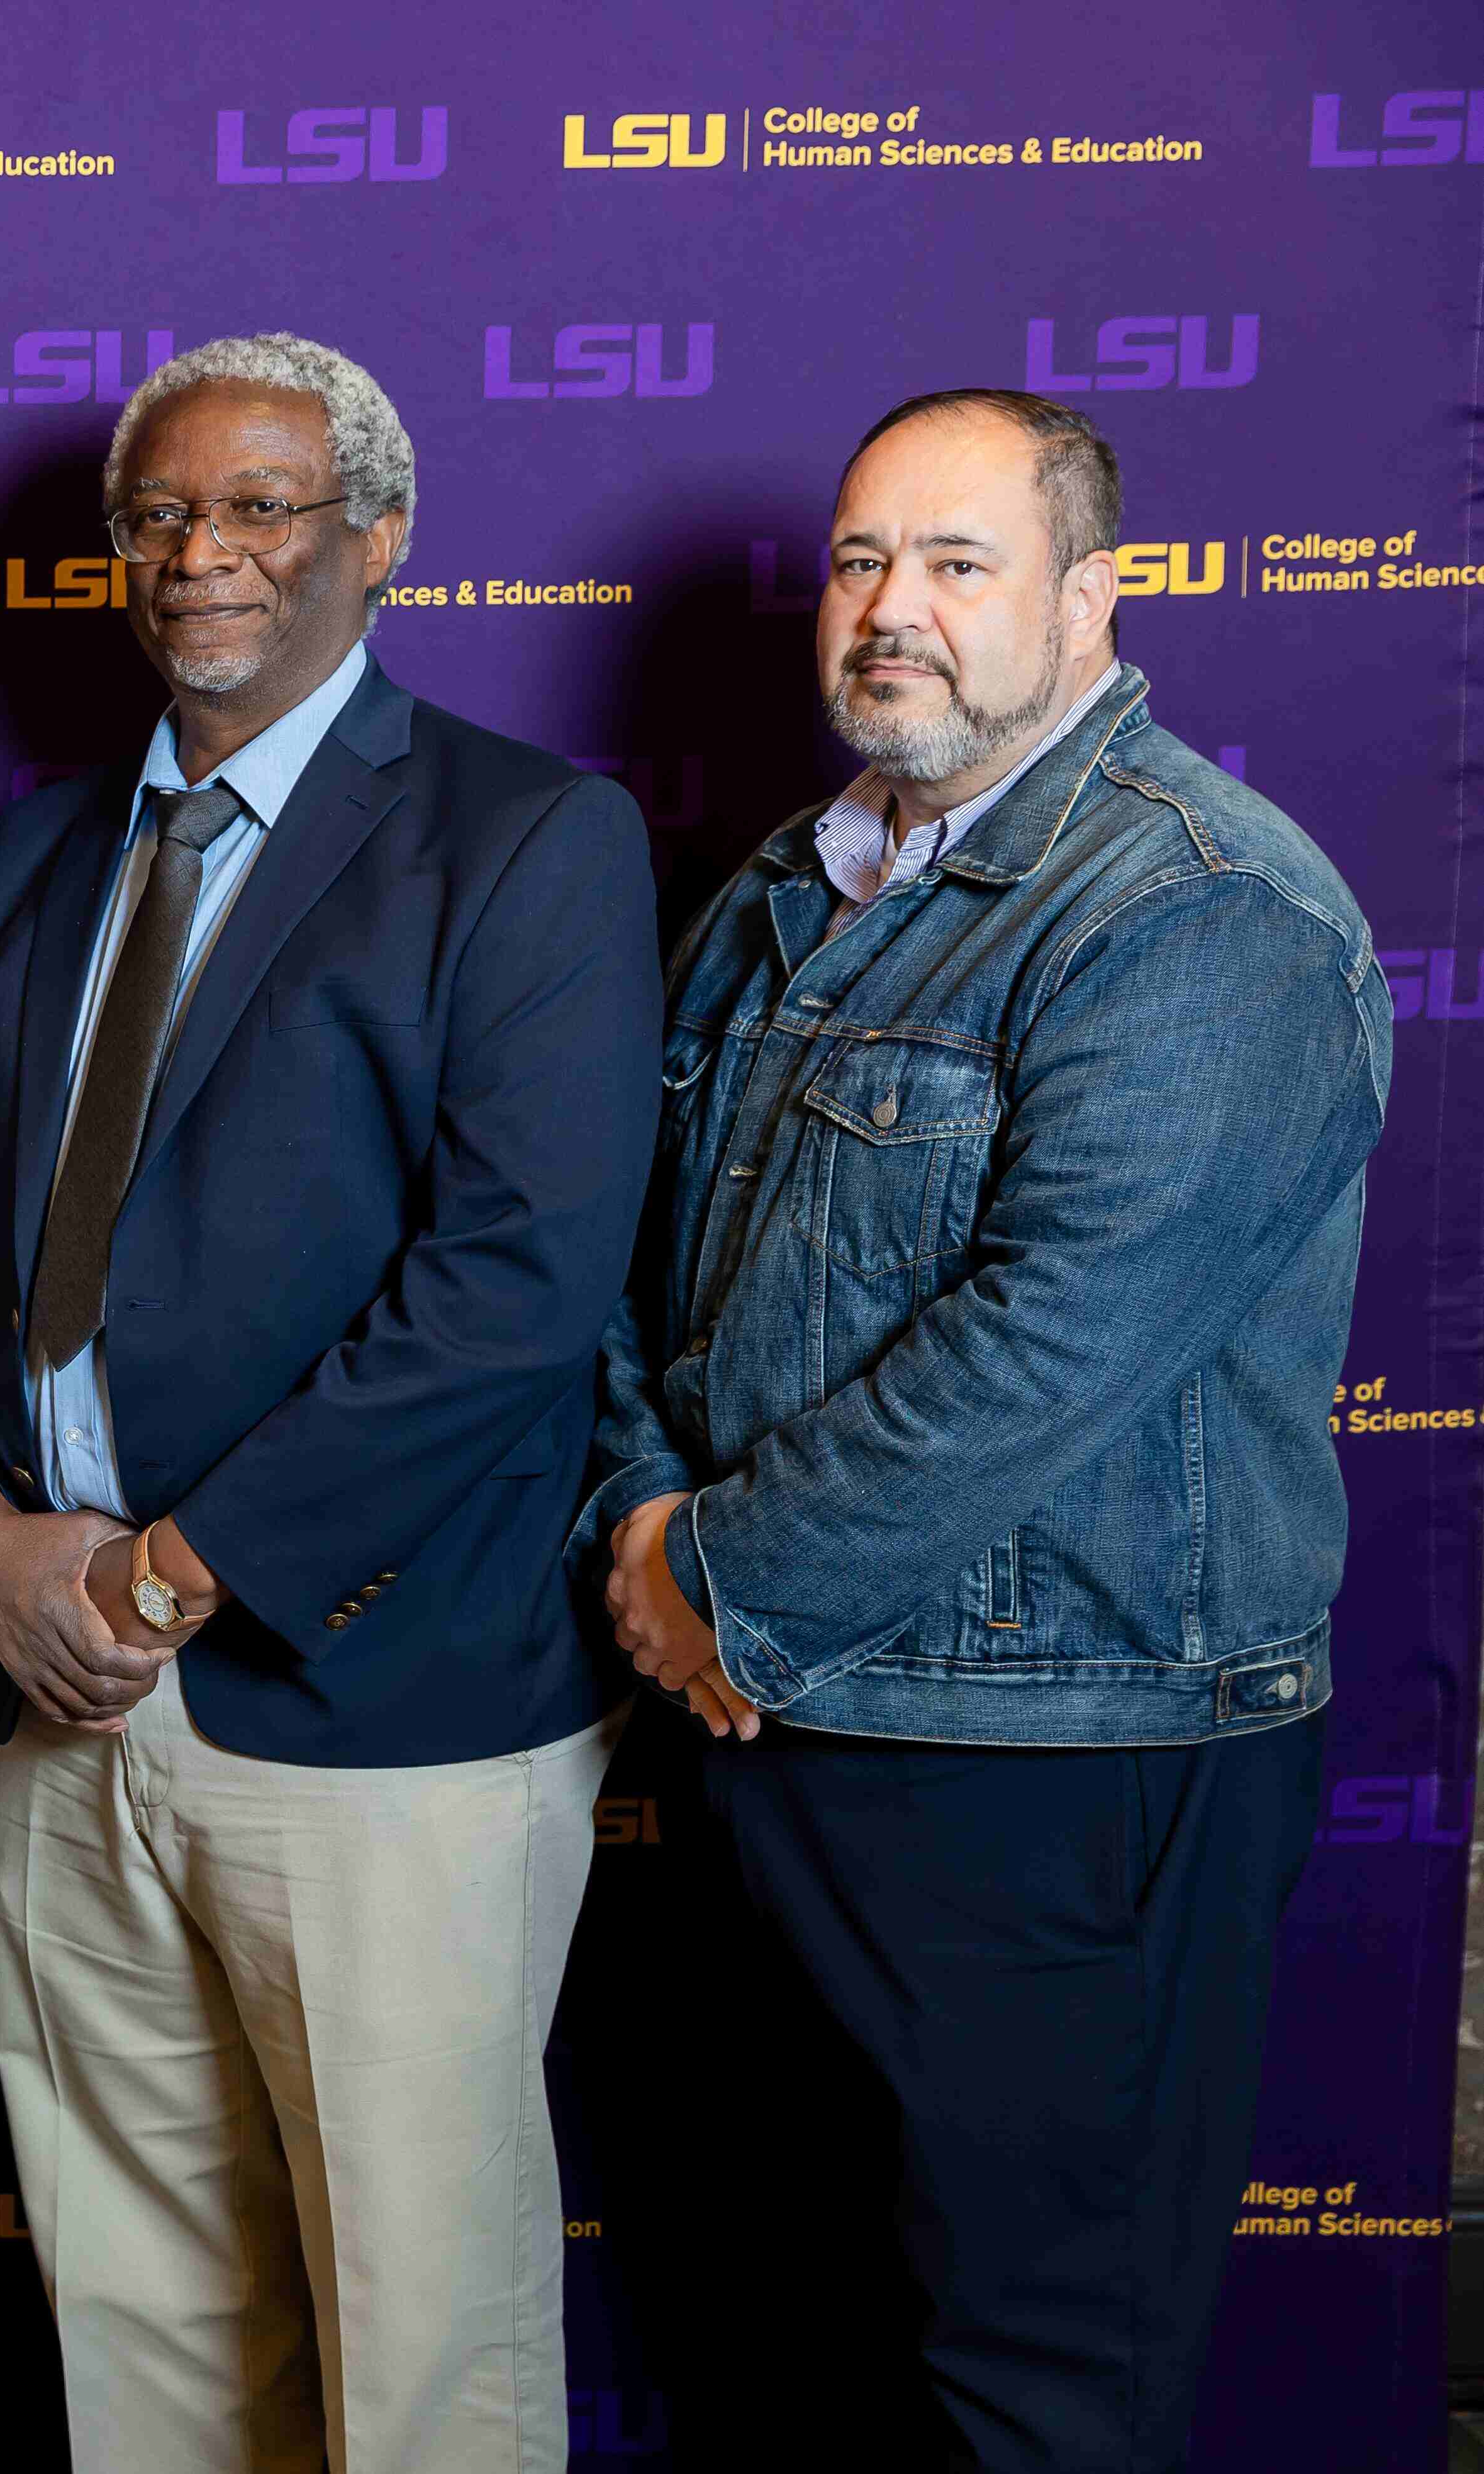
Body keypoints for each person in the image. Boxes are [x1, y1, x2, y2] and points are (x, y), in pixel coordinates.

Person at [0, 333, 662, 2473]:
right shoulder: (36, 858)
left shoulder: (524, 840)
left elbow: (514, 1293)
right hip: (68, 1711)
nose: (200, 552)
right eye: (158, 516)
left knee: (422, 2349)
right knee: (140, 2328)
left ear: (377, 539)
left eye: (261, 507)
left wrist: (171, 1572)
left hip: (371, 1698)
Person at [585, 389, 1385, 2470]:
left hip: (1060, 1772)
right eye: (861, 560)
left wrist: (715, 1583)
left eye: (956, 564)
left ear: (1088, 600)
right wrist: (642, 1515)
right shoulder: (791, 879)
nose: (892, 610)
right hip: (779, 1742)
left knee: (1025, 2393)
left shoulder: (1202, 907)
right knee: (790, 2354)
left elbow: (1043, 1351)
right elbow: (628, 1265)